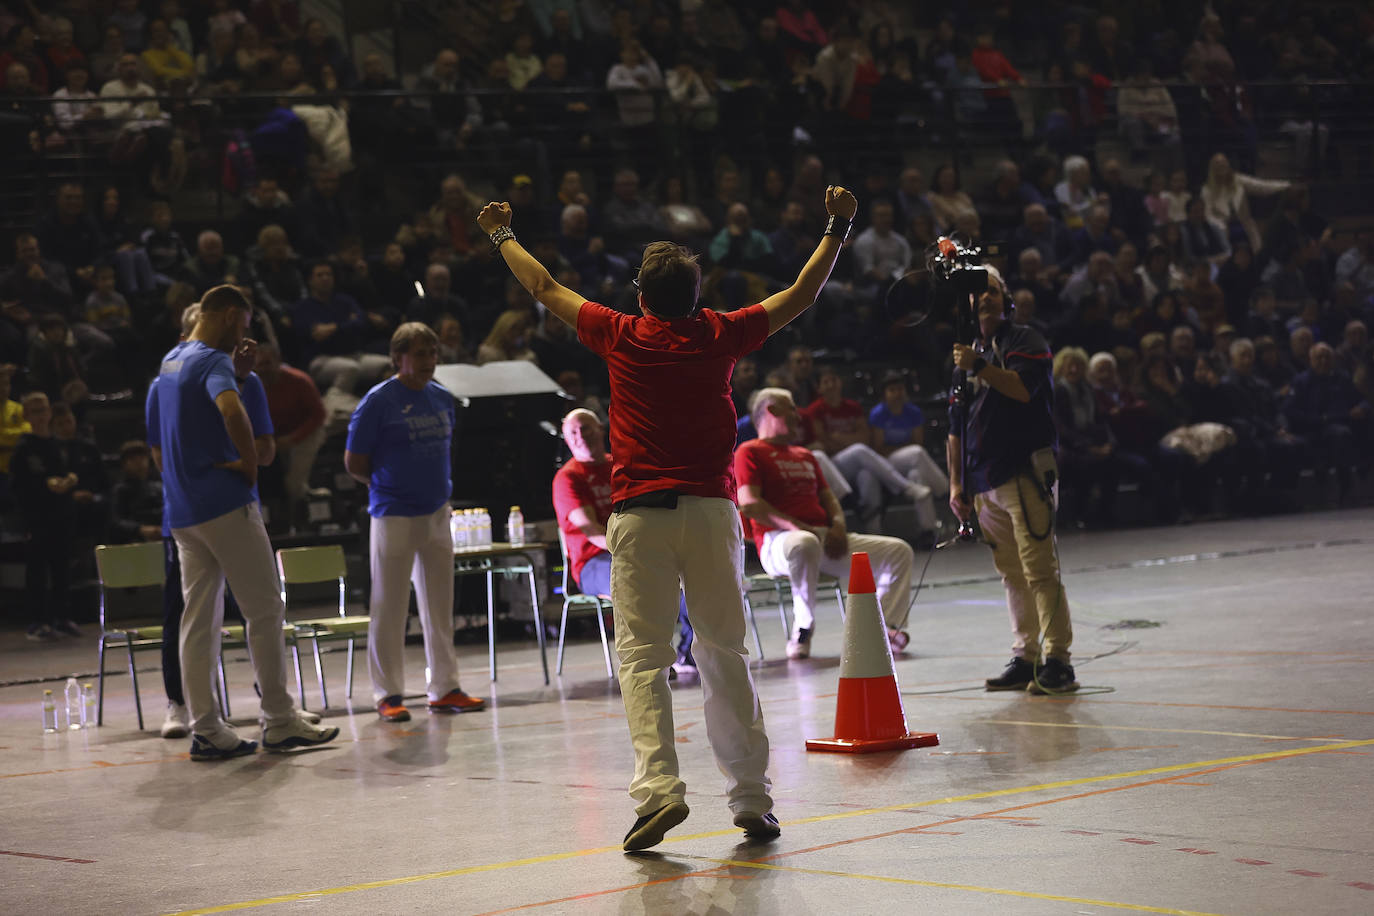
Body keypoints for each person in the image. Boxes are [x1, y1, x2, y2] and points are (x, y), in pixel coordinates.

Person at [476, 182, 858, 851]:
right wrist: (837, 224)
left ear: (641, 296)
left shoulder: (621, 333)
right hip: (711, 513)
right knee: (724, 654)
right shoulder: (721, 333)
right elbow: (802, 293)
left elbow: (542, 286)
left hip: (639, 516)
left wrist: (502, 233)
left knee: (644, 661)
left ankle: (658, 793)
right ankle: (752, 801)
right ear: (697, 293)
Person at [148, 284, 338, 759]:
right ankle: (278, 719)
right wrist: (249, 463)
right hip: (226, 505)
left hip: (183, 512)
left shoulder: (171, 361)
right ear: (232, 316)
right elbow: (229, 408)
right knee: (265, 609)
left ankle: (207, 729)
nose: (244, 334)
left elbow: (166, 439)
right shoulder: (213, 362)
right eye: (245, 324)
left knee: (199, 619)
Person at [344, 323, 485, 722]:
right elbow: (354, 463)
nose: (429, 362)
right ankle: (387, 693)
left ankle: (444, 687)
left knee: (439, 605)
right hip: (393, 514)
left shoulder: (441, 397)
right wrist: (390, 485)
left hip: (437, 511)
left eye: (433, 353)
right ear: (398, 358)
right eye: (420, 354)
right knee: (389, 606)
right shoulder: (378, 402)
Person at [947, 265, 1077, 694]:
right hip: (983, 480)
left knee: (1040, 569)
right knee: (1011, 573)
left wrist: (980, 365)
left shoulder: (1026, 340)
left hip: (1023, 472)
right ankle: (1026, 657)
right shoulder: (965, 354)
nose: (984, 298)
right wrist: (955, 483)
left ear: (1007, 300)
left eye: (993, 291)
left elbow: (1022, 389)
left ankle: (1058, 659)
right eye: (977, 293)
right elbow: (955, 425)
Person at [738, 388, 916, 658]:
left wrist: (838, 526)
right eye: (792, 409)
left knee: (899, 551)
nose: (799, 417)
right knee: (804, 543)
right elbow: (750, 503)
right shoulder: (749, 451)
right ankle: (803, 628)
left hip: (820, 537)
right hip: (778, 542)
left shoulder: (805, 455)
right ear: (772, 410)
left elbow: (829, 499)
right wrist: (798, 527)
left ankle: (881, 629)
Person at [553, 408, 695, 674]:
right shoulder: (568, 478)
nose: (581, 436)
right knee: (634, 580)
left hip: (638, 549)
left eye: (586, 428)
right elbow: (590, 530)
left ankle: (688, 654)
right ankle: (650, 662)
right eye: (573, 432)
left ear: (600, 429)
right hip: (593, 561)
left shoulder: (620, 466)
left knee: (689, 575)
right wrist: (632, 550)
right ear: (566, 440)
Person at [802, 366, 935, 533]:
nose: (831, 385)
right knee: (858, 450)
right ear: (819, 388)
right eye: (825, 382)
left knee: (867, 474)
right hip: (832, 465)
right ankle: (905, 487)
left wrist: (838, 437)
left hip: (853, 462)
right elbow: (825, 443)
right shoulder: (815, 410)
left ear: (840, 383)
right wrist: (849, 439)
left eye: (834, 380)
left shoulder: (852, 407)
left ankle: (875, 531)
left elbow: (865, 438)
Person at [10, 392, 82, 641]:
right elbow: (19, 486)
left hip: (62, 514)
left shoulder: (58, 444)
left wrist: (70, 479)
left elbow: (71, 470)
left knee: (62, 567)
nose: (42, 415)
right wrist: (44, 484)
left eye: (44, 409)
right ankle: (38, 621)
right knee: (38, 569)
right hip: (37, 517)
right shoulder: (23, 449)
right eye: (36, 411)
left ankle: (62, 617)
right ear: (27, 416)